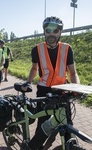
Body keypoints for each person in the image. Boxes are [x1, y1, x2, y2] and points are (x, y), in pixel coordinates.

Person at [22, 16, 80, 150]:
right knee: (42, 123)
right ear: (44, 31)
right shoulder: (36, 49)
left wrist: (76, 87)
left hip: (62, 90)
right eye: (48, 30)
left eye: (55, 30)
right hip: (43, 90)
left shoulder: (67, 48)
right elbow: (34, 68)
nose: (51, 34)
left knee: (66, 124)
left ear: (60, 32)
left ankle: (68, 145)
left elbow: (72, 72)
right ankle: (35, 147)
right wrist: (28, 82)